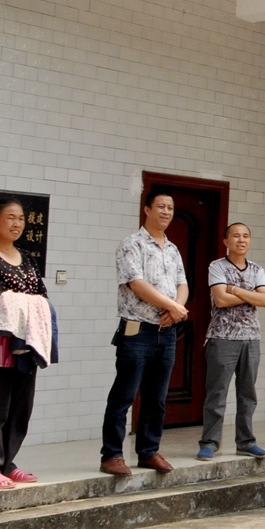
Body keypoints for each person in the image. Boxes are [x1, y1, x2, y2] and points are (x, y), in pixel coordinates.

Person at [101, 191, 188, 475]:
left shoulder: (172, 249)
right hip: (136, 330)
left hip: (166, 331)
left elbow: (182, 284)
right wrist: (172, 305)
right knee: (124, 396)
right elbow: (136, 284)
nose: (166, 211)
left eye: (170, 207)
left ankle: (148, 451)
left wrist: (177, 307)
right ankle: (112, 455)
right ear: (147, 209)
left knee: (156, 397)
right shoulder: (132, 244)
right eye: (161, 206)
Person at [0, 198, 50, 489]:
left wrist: (28, 303)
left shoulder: (26, 256)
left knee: (21, 407)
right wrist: (29, 302)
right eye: (10, 218)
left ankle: (6, 462)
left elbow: (42, 293)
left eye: (21, 219)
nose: (17, 224)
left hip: (27, 339)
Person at [198, 222, 265, 461]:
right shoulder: (217, 266)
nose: (241, 240)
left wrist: (236, 290)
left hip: (251, 339)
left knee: (248, 394)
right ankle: (209, 442)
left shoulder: (257, 269)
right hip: (222, 337)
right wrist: (251, 295)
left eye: (246, 236)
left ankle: (246, 442)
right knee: (217, 393)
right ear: (225, 241)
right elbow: (220, 300)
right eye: (236, 236)